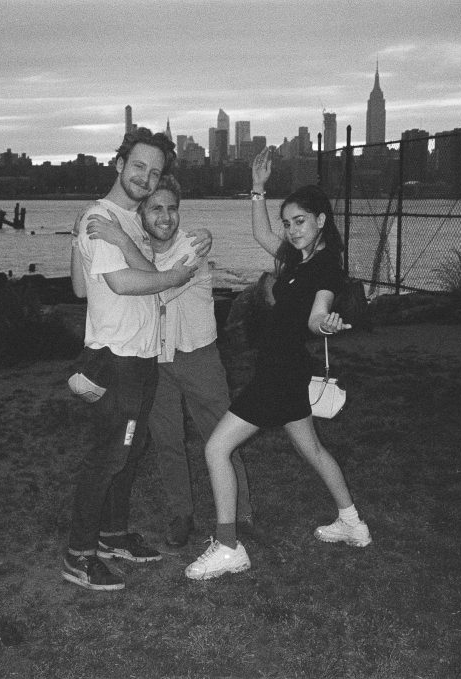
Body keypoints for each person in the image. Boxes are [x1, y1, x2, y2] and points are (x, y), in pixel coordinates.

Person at [185, 148, 372, 581]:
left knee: (216, 448)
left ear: (321, 220)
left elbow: (317, 313)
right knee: (312, 449)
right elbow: (260, 233)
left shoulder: (325, 268)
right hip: (288, 373)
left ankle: (229, 548)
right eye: (288, 223)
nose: (291, 230)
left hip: (278, 376)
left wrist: (324, 323)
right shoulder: (295, 258)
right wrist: (257, 188)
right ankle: (352, 523)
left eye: (300, 221)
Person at [83, 174, 254, 549]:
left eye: (172, 208)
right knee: (167, 442)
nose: (165, 216)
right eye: (156, 208)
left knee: (221, 436)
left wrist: (121, 241)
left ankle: (241, 514)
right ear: (141, 214)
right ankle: (182, 514)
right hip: (156, 359)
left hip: (199, 357)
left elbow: (159, 287)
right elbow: (117, 283)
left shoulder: (193, 245)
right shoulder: (139, 248)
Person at [62, 127, 199, 592]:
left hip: (141, 356)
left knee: (130, 450)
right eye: (139, 166)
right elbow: (122, 283)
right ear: (119, 164)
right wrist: (172, 276)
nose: (146, 177)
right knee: (108, 456)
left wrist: (119, 244)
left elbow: (82, 286)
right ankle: (79, 556)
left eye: (155, 172)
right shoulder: (102, 217)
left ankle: (113, 535)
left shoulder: (125, 221)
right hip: (116, 358)